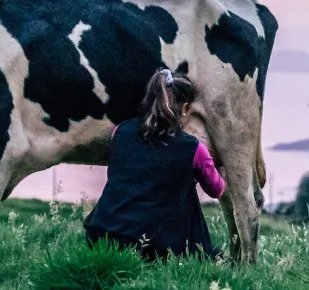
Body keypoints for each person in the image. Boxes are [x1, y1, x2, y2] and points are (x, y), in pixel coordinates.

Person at [83, 68, 226, 261]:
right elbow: (216, 190)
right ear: (184, 109)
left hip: (103, 235)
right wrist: (216, 164)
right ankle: (202, 254)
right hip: (155, 246)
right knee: (187, 186)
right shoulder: (194, 148)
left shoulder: (119, 131)